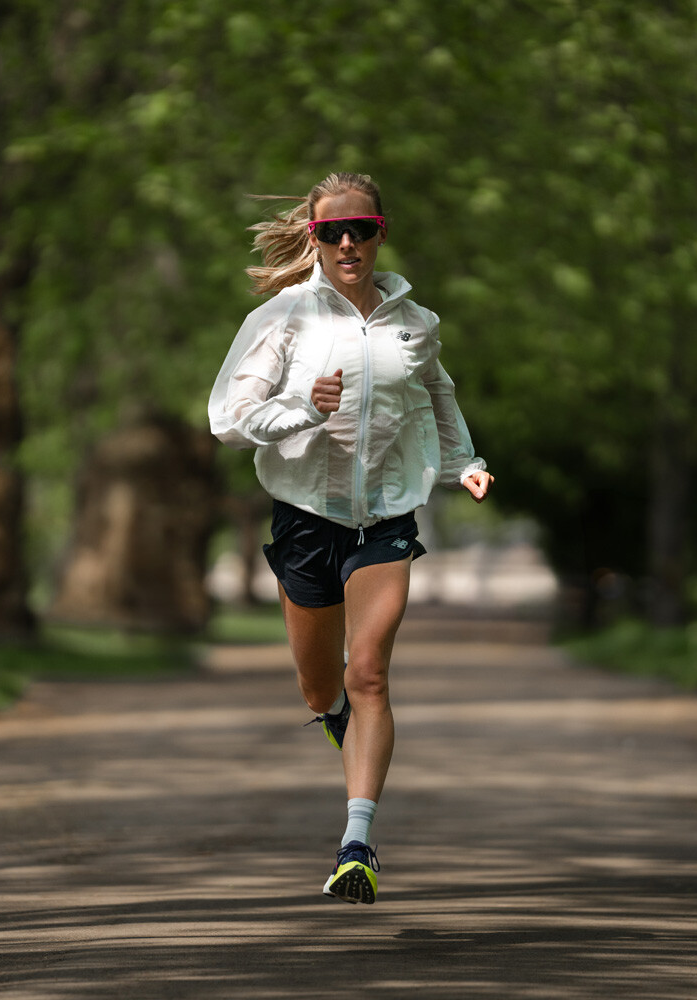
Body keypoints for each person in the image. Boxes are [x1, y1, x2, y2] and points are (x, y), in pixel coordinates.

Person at [209, 171, 494, 904]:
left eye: (359, 230)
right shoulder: (284, 318)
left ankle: (357, 844)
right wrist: (303, 408)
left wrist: (466, 464)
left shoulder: (415, 322)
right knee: (321, 686)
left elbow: (439, 396)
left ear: (380, 233)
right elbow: (228, 418)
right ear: (312, 239)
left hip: (384, 521)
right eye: (330, 232)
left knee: (368, 672)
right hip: (306, 519)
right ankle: (340, 726)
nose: (346, 243)